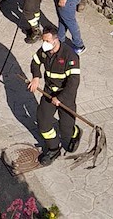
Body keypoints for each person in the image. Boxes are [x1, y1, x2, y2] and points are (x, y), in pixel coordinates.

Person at [28, 27, 82, 166]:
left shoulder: (70, 56)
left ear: (56, 40)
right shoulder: (44, 51)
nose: (44, 43)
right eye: (43, 40)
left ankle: (74, 132)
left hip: (66, 96)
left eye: (47, 40)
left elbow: (73, 83)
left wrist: (60, 98)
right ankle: (53, 148)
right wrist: (36, 77)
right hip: (49, 92)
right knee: (43, 122)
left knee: (66, 131)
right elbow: (35, 62)